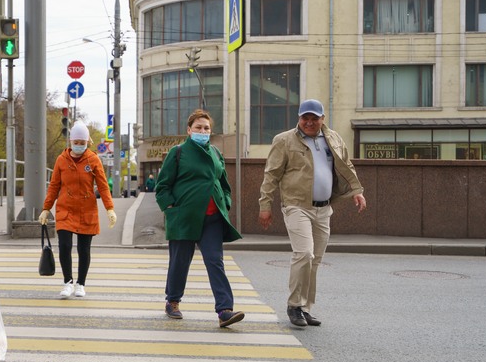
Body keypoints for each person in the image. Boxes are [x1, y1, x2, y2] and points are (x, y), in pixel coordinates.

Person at [258, 99, 367, 328]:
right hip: (296, 205)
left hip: (324, 208)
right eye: (305, 118)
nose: (309, 122)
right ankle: (294, 305)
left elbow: (346, 165)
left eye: (314, 118)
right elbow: (271, 175)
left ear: (322, 119)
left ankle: (306, 308)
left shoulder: (333, 138)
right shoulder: (284, 140)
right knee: (304, 254)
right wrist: (265, 205)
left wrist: (356, 191)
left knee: (315, 260)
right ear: (299, 118)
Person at [154, 110, 243, 328]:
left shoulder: (215, 153)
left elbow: (224, 183)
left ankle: (224, 310)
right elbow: (162, 186)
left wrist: (226, 202)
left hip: (212, 218)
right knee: (179, 262)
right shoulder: (178, 152)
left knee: (215, 261)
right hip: (184, 217)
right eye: (198, 128)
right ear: (189, 130)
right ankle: (172, 301)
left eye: (206, 128)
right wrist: (171, 207)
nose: (202, 131)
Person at [39, 121, 116, 299]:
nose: (79, 145)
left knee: (84, 248)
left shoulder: (93, 160)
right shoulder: (61, 160)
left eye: (82, 143)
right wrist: (46, 208)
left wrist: (110, 208)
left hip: (87, 209)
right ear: (71, 142)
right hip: (65, 209)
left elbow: (103, 186)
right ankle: (68, 282)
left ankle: (81, 283)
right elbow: (54, 186)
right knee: (64, 245)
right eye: (76, 142)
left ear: (87, 142)